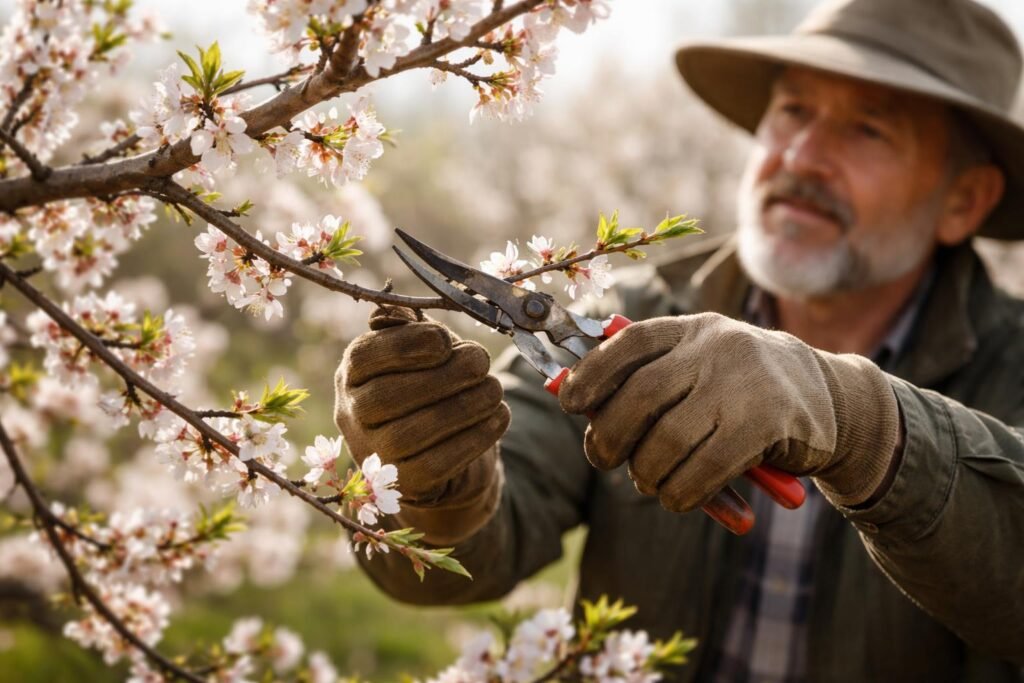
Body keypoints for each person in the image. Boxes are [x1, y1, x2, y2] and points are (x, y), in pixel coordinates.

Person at [333, 0, 1024, 679]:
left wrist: (865, 426)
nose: (803, 155)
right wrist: (431, 486)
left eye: (870, 129)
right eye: (792, 110)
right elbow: (481, 539)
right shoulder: (636, 313)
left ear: (964, 199)